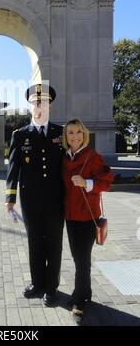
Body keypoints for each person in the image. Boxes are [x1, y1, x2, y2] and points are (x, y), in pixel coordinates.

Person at [5, 83, 65, 307]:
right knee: (35, 244)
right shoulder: (20, 135)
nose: (40, 106)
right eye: (36, 103)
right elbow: (13, 169)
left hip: (56, 201)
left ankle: (52, 288)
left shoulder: (61, 133)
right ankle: (37, 283)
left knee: (54, 245)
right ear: (30, 106)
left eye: (44, 102)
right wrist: (10, 199)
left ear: (50, 105)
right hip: (30, 201)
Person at [62, 118, 114, 321]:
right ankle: (86, 293)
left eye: (78, 132)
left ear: (84, 134)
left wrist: (87, 183)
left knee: (82, 260)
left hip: (87, 217)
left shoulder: (93, 157)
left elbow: (107, 183)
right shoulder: (65, 158)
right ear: (66, 137)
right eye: (70, 133)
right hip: (70, 217)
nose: (74, 136)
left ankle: (79, 300)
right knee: (78, 258)